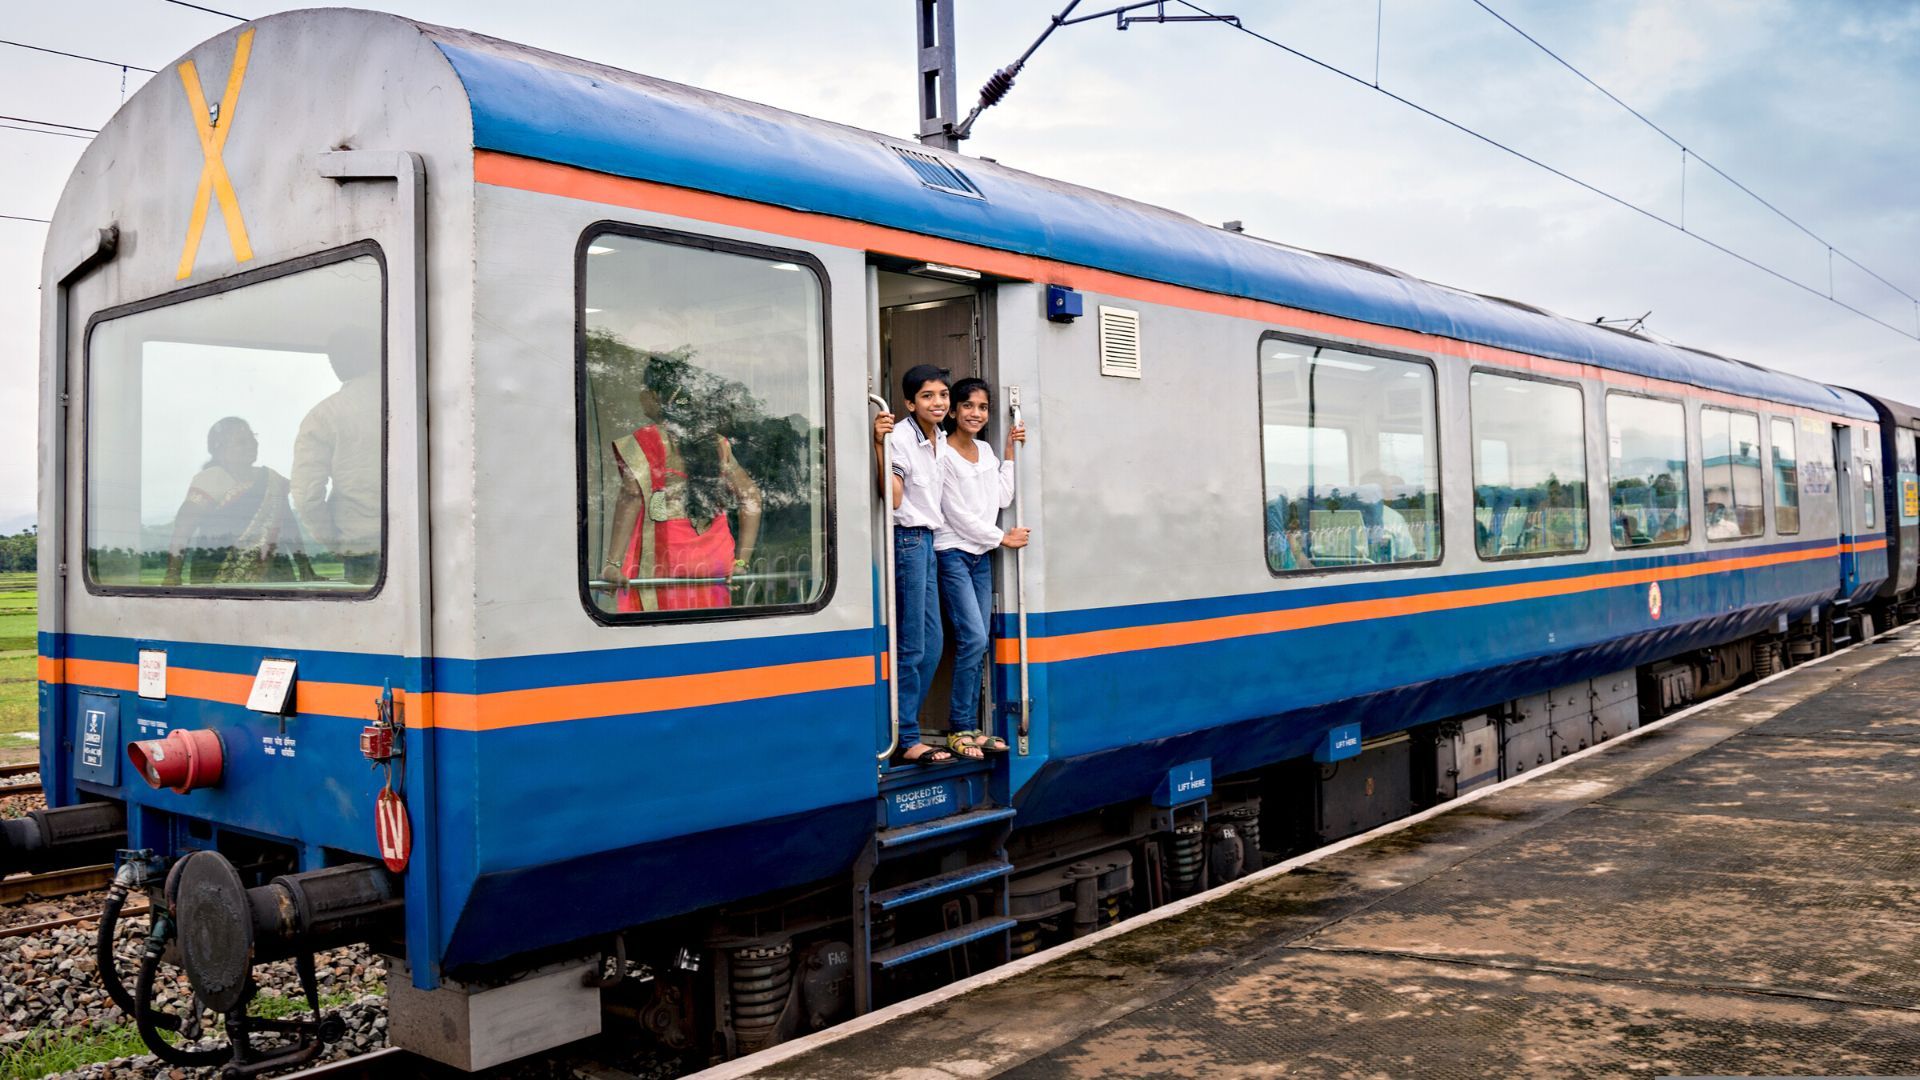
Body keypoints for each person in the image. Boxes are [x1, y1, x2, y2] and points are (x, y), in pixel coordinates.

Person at [599, 353, 762, 612]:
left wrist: (613, 564)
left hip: (666, 561)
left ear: (654, 396)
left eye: (642, 390)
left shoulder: (646, 441)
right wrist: (741, 562)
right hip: (715, 564)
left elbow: (630, 497)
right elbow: (751, 497)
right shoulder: (717, 443)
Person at [934, 378, 1027, 759]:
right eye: (968, 406)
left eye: (983, 407)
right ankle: (959, 728)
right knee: (973, 638)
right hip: (953, 553)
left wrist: (1008, 453)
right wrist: (1001, 538)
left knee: (981, 639)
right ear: (953, 411)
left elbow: (1002, 496)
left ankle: (972, 728)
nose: (976, 413)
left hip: (979, 556)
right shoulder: (943, 454)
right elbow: (955, 514)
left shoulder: (985, 451)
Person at [873, 364, 956, 766]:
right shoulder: (902, 438)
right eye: (927, 396)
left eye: (942, 395)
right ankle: (905, 737)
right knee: (912, 646)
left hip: (926, 541)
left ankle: (905, 727)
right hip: (907, 541)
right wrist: (879, 447)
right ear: (910, 403)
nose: (937, 402)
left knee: (933, 645)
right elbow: (894, 497)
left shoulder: (939, 437)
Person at [163, 417, 316, 586]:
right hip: (219, 573)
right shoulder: (210, 479)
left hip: (275, 573)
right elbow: (183, 529)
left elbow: (288, 527)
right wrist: (172, 575)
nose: (251, 444)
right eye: (242, 442)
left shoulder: (272, 479)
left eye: (252, 438)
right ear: (220, 449)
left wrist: (305, 567)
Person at [292, 326, 383, 585]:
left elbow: (307, 497)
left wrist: (334, 540)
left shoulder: (324, 415)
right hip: (428, 540)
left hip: (362, 548)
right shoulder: (417, 399)